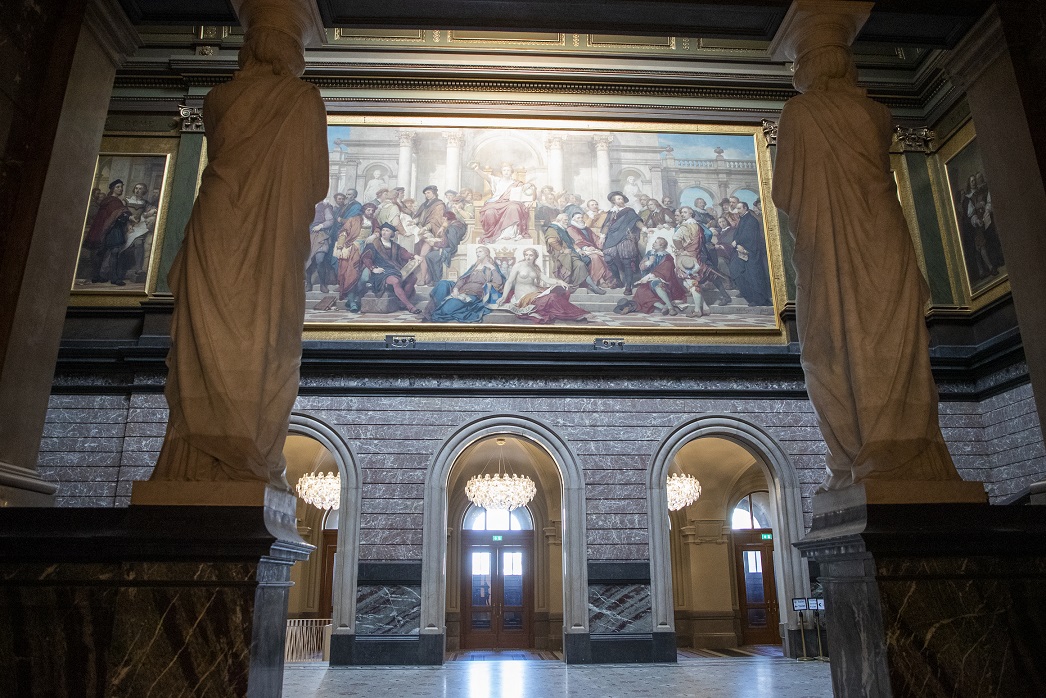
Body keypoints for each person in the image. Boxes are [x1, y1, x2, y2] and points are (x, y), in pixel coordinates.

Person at [772, 39, 960, 490]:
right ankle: (902, 446)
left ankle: (860, 455)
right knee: (893, 339)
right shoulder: (878, 113)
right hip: (885, 238)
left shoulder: (799, 113)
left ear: (807, 68)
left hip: (828, 245)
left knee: (828, 347)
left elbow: (783, 193)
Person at [153, 20, 329, 489]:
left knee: (206, 334)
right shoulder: (302, 99)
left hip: (216, 224)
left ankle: (198, 458)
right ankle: (242, 455)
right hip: (270, 235)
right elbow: (316, 182)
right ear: (288, 53)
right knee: (269, 341)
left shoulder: (216, 98)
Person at [499, 247, 589, 324]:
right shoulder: (518, 266)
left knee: (561, 292)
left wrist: (559, 282)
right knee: (552, 297)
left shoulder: (535, 268)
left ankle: (575, 314)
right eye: (526, 255)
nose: (528, 257)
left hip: (536, 293)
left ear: (535, 257)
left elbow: (547, 279)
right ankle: (575, 314)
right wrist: (504, 296)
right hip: (524, 297)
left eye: (531, 255)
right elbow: (509, 282)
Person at [424, 244, 506, 322]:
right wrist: (456, 289)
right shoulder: (474, 266)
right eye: (476, 252)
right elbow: (463, 279)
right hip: (461, 289)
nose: (477, 253)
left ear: (487, 253)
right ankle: (430, 311)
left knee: (447, 308)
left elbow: (499, 282)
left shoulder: (492, 267)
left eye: (480, 251)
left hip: (472, 294)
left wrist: (491, 268)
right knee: (443, 283)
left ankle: (437, 311)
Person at [360, 222, 423, 314]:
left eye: (387, 231)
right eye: (383, 230)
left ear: (392, 234)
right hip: (381, 272)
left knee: (413, 278)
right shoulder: (373, 245)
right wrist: (373, 269)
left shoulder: (395, 245)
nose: (384, 232)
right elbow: (366, 258)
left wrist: (414, 256)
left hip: (395, 270)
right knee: (395, 281)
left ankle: (402, 303)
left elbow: (404, 253)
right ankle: (410, 306)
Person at [622, 236, 686, 315]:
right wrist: (649, 262)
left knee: (656, 283)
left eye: (656, 242)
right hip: (648, 281)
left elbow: (666, 272)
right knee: (641, 292)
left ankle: (670, 308)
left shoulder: (668, 257)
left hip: (665, 281)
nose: (653, 243)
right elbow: (641, 266)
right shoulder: (650, 253)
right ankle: (663, 307)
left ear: (661, 245)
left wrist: (652, 276)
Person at [544, 213, 606, 294]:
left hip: (571, 254)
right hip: (563, 255)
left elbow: (572, 243)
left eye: (567, 220)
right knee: (581, 265)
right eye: (565, 220)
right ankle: (594, 287)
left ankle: (590, 284)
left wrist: (579, 251)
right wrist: (562, 250)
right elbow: (551, 241)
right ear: (559, 220)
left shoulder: (562, 229)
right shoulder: (553, 229)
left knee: (584, 262)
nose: (567, 221)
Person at [469, 162, 531, 242]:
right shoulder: (497, 181)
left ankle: (509, 233)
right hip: (496, 203)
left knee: (514, 207)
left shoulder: (517, 183)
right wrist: (477, 169)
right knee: (489, 212)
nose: (506, 172)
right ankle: (492, 234)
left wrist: (527, 196)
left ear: (512, 172)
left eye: (508, 170)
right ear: (501, 172)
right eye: (504, 170)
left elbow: (523, 194)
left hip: (511, 203)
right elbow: (486, 176)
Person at [728, 201, 773, 306]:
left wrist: (738, 242)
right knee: (736, 271)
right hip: (742, 251)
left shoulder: (751, 220)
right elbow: (738, 234)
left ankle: (760, 300)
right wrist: (736, 242)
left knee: (753, 276)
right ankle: (751, 298)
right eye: (737, 208)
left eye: (739, 208)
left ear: (745, 208)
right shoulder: (743, 219)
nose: (737, 211)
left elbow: (749, 236)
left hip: (751, 252)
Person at [83, 179, 127, 283]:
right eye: (118, 187)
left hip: (114, 228)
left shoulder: (115, 201)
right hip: (109, 228)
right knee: (103, 252)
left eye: (121, 187)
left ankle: (112, 278)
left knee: (112, 252)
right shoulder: (111, 201)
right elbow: (112, 215)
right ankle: (99, 276)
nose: (120, 189)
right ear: (113, 189)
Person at [600, 191, 644, 294]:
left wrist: (645, 229)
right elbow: (606, 225)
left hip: (624, 237)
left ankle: (628, 286)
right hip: (611, 238)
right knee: (608, 259)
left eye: (622, 198)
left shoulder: (629, 211)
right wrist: (602, 237)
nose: (621, 200)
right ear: (613, 201)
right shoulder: (611, 212)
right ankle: (618, 280)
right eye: (618, 199)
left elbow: (637, 221)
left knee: (627, 262)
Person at [412, 185, 447, 285]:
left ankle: (424, 278)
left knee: (424, 255)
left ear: (434, 193)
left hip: (432, 234)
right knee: (419, 254)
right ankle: (425, 277)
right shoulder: (425, 204)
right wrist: (414, 221)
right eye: (425, 193)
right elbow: (420, 217)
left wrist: (425, 228)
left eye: (429, 193)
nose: (427, 195)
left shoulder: (439, 205)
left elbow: (435, 221)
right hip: (421, 233)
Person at [122, 182, 157, 283]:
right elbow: (122, 212)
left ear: (144, 191)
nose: (137, 190)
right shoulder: (127, 200)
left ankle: (138, 269)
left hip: (138, 228)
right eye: (136, 188)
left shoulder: (145, 203)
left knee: (139, 243)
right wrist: (128, 225)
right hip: (125, 227)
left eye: (140, 189)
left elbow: (152, 210)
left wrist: (150, 212)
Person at [567, 211, 612, 288]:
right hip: (579, 250)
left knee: (604, 256)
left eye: (581, 217)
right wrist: (586, 247)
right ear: (573, 220)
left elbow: (595, 239)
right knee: (595, 257)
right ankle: (600, 280)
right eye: (578, 218)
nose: (581, 219)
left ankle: (608, 279)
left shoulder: (587, 229)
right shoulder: (571, 229)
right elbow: (577, 241)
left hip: (591, 249)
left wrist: (601, 240)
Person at [307, 198, 336, 292]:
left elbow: (330, 220)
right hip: (307, 236)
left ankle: (323, 284)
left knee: (320, 259)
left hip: (321, 235)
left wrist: (321, 226)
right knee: (307, 260)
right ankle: (308, 284)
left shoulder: (324, 206)